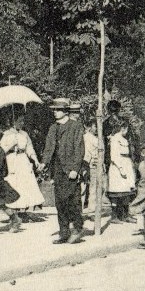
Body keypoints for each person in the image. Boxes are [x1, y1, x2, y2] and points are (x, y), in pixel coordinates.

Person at [41, 98, 86, 244]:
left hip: (70, 169)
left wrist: (75, 169)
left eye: (58, 110)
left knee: (72, 201)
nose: (55, 112)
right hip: (58, 170)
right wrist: (44, 163)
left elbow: (79, 149)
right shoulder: (53, 127)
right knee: (60, 202)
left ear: (65, 111)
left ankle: (77, 229)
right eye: (54, 110)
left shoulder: (75, 126)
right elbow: (49, 148)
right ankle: (64, 232)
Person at [0, 115, 45, 214]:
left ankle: (23, 211)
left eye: (23, 121)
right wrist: (11, 145)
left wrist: (35, 160)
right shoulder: (6, 134)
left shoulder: (24, 134)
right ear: (13, 121)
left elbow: (29, 148)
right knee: (15, 185)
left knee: (25, 185)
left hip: (23, 160)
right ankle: (14, 212)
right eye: (19, 121)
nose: (22, 123)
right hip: (12, 160)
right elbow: (1, 150)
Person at [105, 117, 137, 225]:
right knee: (117, 192)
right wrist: (121, 168)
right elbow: (114, 156)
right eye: (126, 128)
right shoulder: (115, 138)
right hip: (118, 167)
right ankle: (114, 216)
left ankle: (125, 214)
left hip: (126, 163)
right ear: (122, 128)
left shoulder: (124, 139)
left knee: (126, 191)